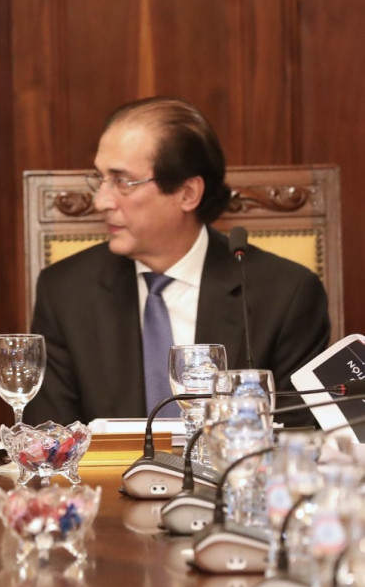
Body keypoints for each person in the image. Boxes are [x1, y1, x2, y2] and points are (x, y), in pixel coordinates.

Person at [26, 97, 329, 427]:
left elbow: (299, 440)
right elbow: (50, 438)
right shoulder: (66, 292)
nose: (101, 201)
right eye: (99, 178)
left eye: (122, 181)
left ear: (187, 194)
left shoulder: (285, 294)